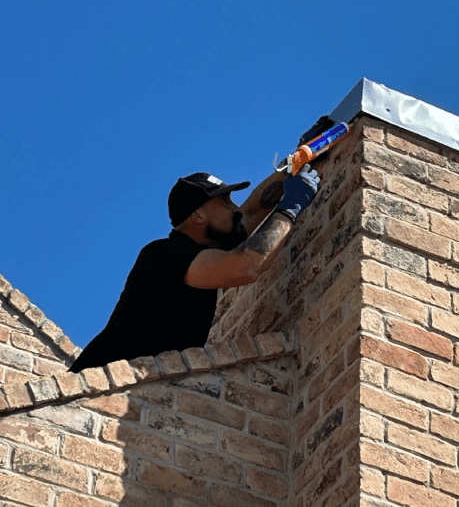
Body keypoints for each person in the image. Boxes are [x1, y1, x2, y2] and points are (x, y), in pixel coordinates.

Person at [69, 116, 336, 372]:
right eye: (224, 202)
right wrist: (291, 208)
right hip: (99, 387)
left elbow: (250, 214)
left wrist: (297, 161)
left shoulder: (205, 247)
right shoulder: (163, 254)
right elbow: (247, 265)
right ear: (197, 215)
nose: (235, 208)